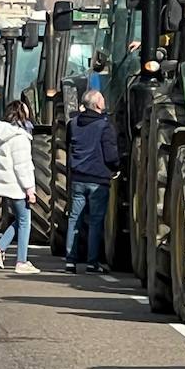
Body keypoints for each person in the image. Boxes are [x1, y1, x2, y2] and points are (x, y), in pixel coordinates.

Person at [64, 88, 118, 274]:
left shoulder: (73, 124)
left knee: (74, 219)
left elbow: (68, 145)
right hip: (98, 179)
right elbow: (110, 154)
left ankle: (70, 261)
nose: (104, 102)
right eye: (102, 99)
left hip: (78, 178)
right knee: (95, 222)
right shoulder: (104, 125)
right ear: (97, 105)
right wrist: (116, 168)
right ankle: (91, 263)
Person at [0, 101, 39, 275]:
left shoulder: (2, 135)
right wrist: (30, 189)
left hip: (6, 185)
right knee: (25, 222)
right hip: (17, 186)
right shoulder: (19, 137)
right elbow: (22, 166)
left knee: (20, 220)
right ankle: (21, 261)